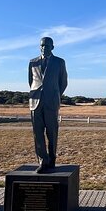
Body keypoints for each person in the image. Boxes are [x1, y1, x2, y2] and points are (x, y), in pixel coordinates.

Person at [28, 37, 68, 173]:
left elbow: (63, 82)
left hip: (51, 102)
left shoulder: (59, 62)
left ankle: (51, 159)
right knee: (37, 133)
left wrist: (55, 95)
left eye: (47, 45)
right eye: (42, 45)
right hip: (35, 102)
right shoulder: (32, 62)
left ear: (52, 47)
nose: (44, 47)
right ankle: (42, 161)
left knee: (52, 133)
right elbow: (31, 81)